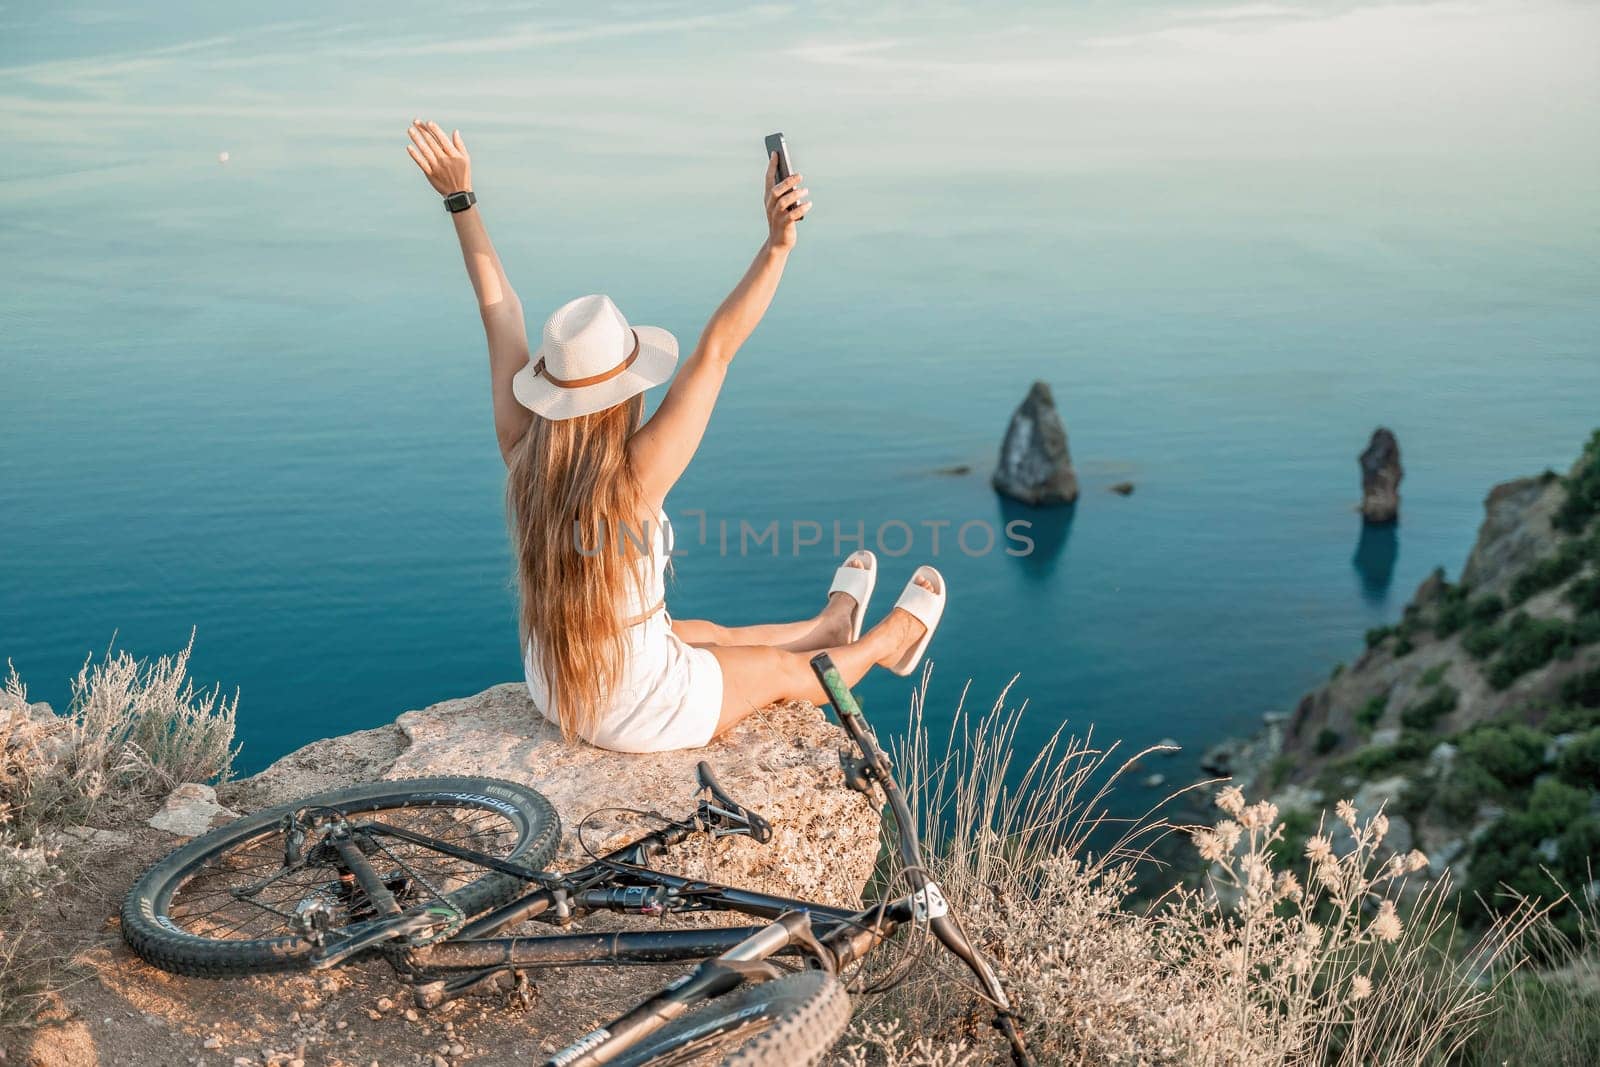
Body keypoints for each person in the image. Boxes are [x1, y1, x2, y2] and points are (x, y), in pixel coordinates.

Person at [405, 119, 946, 754]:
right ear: (624, 392)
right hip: (630, 706)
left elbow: (498, 309)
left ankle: (827, 621)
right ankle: (887, 643)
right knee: (777, 674)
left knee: (698, 632)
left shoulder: (522, 451)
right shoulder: (633, 480)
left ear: (550, 386)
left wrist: (459, 200)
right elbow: (716, 350)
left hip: (557, 681)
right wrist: (777, 245)